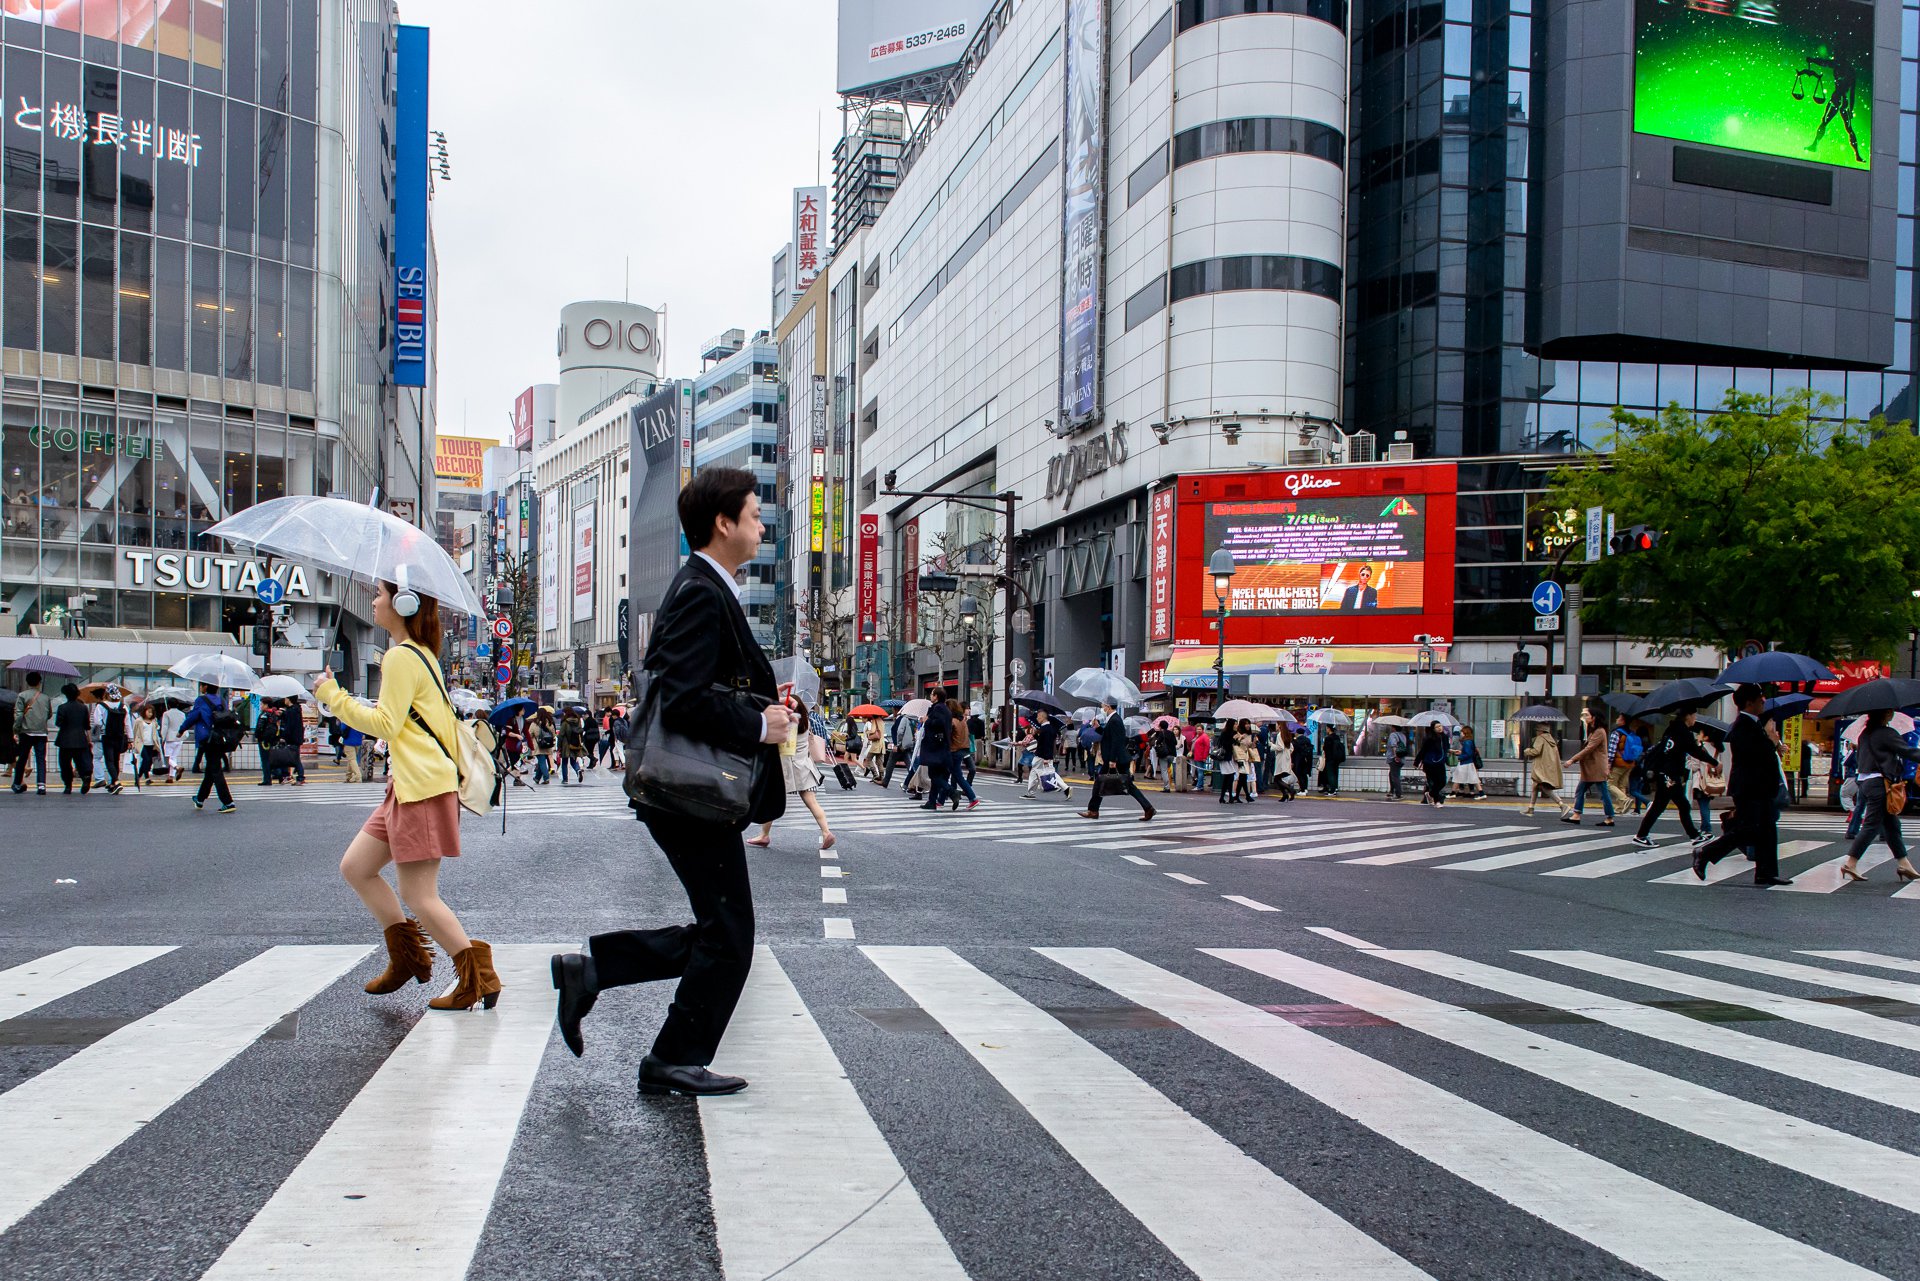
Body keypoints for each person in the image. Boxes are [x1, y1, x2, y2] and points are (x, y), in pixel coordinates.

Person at [550, 466, 791, 1097]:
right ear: (723, 523)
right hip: (688, 795)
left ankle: (598, 973)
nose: (761, 525)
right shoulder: (700, 592)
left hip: (689, 794)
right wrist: (756, 721)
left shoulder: (709, 589)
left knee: (723, 933)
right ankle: (668, 1055)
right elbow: (680, 700)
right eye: (754, 514)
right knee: (730, 936)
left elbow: (694, 686)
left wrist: (759, 706)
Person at [316, 575, 500, 1013]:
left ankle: (478, 977)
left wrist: (333, 697)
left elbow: (385, 724)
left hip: (422, 789)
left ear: (402, 602)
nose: (374, 602)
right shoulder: (421, 656)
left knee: (420, 895)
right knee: (357, 867)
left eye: (379, 594)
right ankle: (407, 958)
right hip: (410, 786)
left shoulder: (401, 657)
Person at [1692, 684, 1792, 886]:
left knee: (1767, 830)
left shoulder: (1755, 724)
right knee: (1750, 829)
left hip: (1761, 788)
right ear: (1749, 702)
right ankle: (1705, 852)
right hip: (1750, 788)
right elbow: (1753, 756)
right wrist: (1771, 743)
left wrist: (1773, 744)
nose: (1763, 701)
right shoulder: (1742, 726)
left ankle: (1766, 872)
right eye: (1760, 698)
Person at [1836, 709, 1920, 884]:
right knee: (1871, 826)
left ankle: (1904, 863)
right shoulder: (1886, 733)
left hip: (1866, 782)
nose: (1892, 713)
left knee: (1892, 826)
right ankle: (1850, 863)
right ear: (1885, 715)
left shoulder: (1864, 734)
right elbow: (1907, 751)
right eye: (1889, 711)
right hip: (1880, 784)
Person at [747, 695, 836, 850]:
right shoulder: (805, 722)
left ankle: (764, 835)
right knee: (812, 802)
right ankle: (826, 832)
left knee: (771, 799)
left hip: (785, 767)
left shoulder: (786, 724)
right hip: (804, 766)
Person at [1632, 711, 1717, 848]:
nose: (1695, 718)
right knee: (1682, 805)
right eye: (1694, 715)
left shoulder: (1671, 730)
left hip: (1664, 773)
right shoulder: (1683, 732)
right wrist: (1714, 762)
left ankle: (1641, 835)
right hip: (1670, 775)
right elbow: (1695, 751)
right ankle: (1694, 836)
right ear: (1687, 716)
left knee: (1660, 806)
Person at [1078, 698, 1156, 822]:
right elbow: (1108, 736)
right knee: (1124, 785)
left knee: (1102, 782)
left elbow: (1116, 741)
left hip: (1116, 759)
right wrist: (1098, 728)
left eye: (1104, 706)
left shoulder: (1115, 720)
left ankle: (1093, 810)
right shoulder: (1114, 720)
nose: (1103, 708)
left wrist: (1112, 760)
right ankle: (1148, 808)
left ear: (1108, 707)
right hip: (1116, 758)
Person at [179, 682, 236, 813]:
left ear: (205, 687)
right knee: (211, 769)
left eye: (202, 685)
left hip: (207, 738)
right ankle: (199, 799)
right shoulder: (222, 699)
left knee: (215, 770)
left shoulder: (201, 700)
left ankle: (228, 802)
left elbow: (193, 716)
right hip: (220, 737)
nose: (200, 687)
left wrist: (182, 729)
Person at [1562, 706, 1615, 826]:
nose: (1585, 717)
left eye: (1587, 715)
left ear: (1594, 717)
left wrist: (1572, 760)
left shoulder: (1599, 731)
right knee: (1580, 790)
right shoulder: (1593, 730)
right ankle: (1576, 815)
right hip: (1591, 768)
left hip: (1596, 767)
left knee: (1603, 793)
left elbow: (1589, 749)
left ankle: (1610, 817)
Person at [1022, 708, 1074, 800]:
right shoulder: (1050, 729)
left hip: (1042, 755)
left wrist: (1046, 757)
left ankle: (1065, 788)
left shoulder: (1045, 729)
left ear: (1042, 717)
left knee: (1045, 773)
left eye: (1038, 717)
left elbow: (1045, 744)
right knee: (1038, 772)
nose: (1037, 719)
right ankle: (1031, 792)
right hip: (1045, 755)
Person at [11, 671, 49, 794]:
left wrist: (16, 729)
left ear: (27, 682)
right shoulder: (45, 697)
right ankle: (41, 785)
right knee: (40, 759)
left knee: (22, 758)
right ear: (39, 682)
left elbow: (18, 715)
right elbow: (48, 715)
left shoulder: (22, 696)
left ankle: (17, 783)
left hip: (26, 731)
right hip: (41, 732)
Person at [1523, 724, 1571, 817]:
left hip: (1541, 768)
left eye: (1537, 730)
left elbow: (1536, 751)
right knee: (1535, 786)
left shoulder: (1540, 738)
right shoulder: (1551, 740)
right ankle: (1531, 808)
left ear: (1540, 731)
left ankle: (1562, 805)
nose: (1536, 732)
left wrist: (1527, 751)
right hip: (1548, 767)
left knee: (1544, 787)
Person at [53, 683, 93, 795]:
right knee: (82, 762)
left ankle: (68, 785)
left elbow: (58, 723)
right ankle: (85, 777)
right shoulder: (83, 708)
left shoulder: (62, 708)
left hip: (65, 740)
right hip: (80, 739)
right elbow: (87, 725)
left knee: (65, 764)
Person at [918, 693, 955, 810]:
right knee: (937, 774)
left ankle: (952, 792)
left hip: (936, 747)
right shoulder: (945, 709)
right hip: (942, 747)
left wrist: (926, 720)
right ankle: (932, 801)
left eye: (932, 694)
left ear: (936, 697)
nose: (930, 696)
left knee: (933, 774)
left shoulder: (939, 708)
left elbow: (938, 723)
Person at [944, 697, 981, 810]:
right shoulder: (962, 721)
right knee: (954, 775)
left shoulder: (952, 721)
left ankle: (972, 798)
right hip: (963, 750)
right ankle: (942, 798)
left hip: (954, 750)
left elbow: (948, 737)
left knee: (953, 776)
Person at [1689, 729, 1727, 839]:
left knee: (1703, 804)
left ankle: (1707, 828)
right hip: (1712, 781)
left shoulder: (1701, 747)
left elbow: (1695, 766)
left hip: (1702, 781)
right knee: (1705, 804)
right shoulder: (1717, 748)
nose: (1698, 735)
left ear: (1706, 736)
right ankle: (1704, 827)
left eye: (1700, 733)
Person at [97, 687, 129, 794]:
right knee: (116, 760)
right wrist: (131, 739)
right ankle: (113, 783)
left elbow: (97, 722)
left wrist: (102, 729)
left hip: (107, 736)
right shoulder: (123, 706)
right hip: (120, 736)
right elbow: (128, 724)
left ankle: (116, 782)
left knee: (109, 760)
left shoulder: (101, 706)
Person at [1606, 714, 1638, 814]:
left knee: (1609, 784)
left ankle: (1625, 800)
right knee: (1622, 785)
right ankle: (1620, 808)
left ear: (1623, 721)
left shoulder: (1616, 733)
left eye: (1618, 718)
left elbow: (1612, 750)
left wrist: (1608, 764)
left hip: (1618, 763)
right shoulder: (1631, 733)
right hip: (1630, 763)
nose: (1616, 719)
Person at [1416, 724, 1449, 807]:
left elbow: (1445, 749)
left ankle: (1430, 794)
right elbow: (1423, 750)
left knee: (1442, 781)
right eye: (1437, 727)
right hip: (1430, 762)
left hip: (1440, 762)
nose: (1439, 728)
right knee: (1434, 782)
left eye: (1440, 726)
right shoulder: (1429, 738)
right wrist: (1417, 762)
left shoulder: (1444, 737)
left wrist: (1452, 751)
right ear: (1433, 729)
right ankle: (1437, 801)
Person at [131, 701, 162, 788]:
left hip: (151, 743)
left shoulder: (154, 721)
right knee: (146, 759)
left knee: (148, 761)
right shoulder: (139, 721)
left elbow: (156, 731)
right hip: (141, 743)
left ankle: (140, 777)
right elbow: (134, 732)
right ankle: (143, 777)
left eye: (151, 712)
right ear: (144, 711)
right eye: (148, 712)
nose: (150, 714)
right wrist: (132, 742)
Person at [279, 698, 308, 785]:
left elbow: (289, 726)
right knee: (294, 758)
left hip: (293, 738)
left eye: (286, 698)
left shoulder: (292, 711)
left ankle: (300, 777)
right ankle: (296, 776)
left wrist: (284, 736)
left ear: (289, 699)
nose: (284, 700)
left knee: (294, 759)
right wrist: (284, 714)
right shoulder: (296, 710)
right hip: (297, 738)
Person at [1230, 718, 1258, 803]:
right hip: (1240, 757)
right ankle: (1247, 795)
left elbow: (1251, 747)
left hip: (1246, 757)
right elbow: (1234, 744)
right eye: (1246, 724)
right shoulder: (1238, 734)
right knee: (1243, 776)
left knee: (1243, 777)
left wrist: (1254, 742)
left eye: (1248, 724)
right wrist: (1240, 738)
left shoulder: (1250, 734)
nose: (1248, 725)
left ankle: (1237, 796)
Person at [1452, 726, 1482, 800]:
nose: (1460, 733)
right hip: (1468, 762)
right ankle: (1481, 793)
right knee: (1473, 778)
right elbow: (1469, 752)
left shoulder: (1467, 742)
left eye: (1461, 732)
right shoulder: (1469, 741)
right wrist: (1461, 753)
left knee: (1459, 777)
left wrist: (1460, 757)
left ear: (1465, 733)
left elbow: (1468, 753)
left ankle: (1453, 793)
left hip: (1466, 762)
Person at [558, 711, 584, 784]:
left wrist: (559, 746)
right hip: (575, 744)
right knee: (573, 761)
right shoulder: (577, 721)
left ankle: (565, 779)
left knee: (564, 762)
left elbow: (561, 735)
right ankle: (578, 770)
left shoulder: (565, 723)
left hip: (566, 744)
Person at [1385, 725, 1408, 800]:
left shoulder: (1393, 735)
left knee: (1395, 776)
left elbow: (1393, 745)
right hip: (1402, 758)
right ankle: (1392, 791)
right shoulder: (1403, 735)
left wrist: (1396, 756)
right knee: (1392, 774)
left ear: (1394, 728)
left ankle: (1399, 794)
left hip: (1394, 758)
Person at [1290, 729, 1314, 801]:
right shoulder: (1308, 740)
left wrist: (1292, 761)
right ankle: (1305, 788)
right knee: (1304, 774)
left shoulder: (1296, 741)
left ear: (1297, 733)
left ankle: (1302, 789)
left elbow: (1293, 752)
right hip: (1306, 760)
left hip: (1298, 760)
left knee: (1299, 774)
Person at [1322, 727, 1347, 794]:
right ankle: (1335, 788)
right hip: (1337, 759)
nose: (1326, 730)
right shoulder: (1337, 737)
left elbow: (1326, 748)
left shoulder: (1328, 738)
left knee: (1330, 774)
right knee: (1335, 773)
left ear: (1329, 729)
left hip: (1330, 758)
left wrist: (1323, 746)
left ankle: (1332, 790)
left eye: (1327, 728)